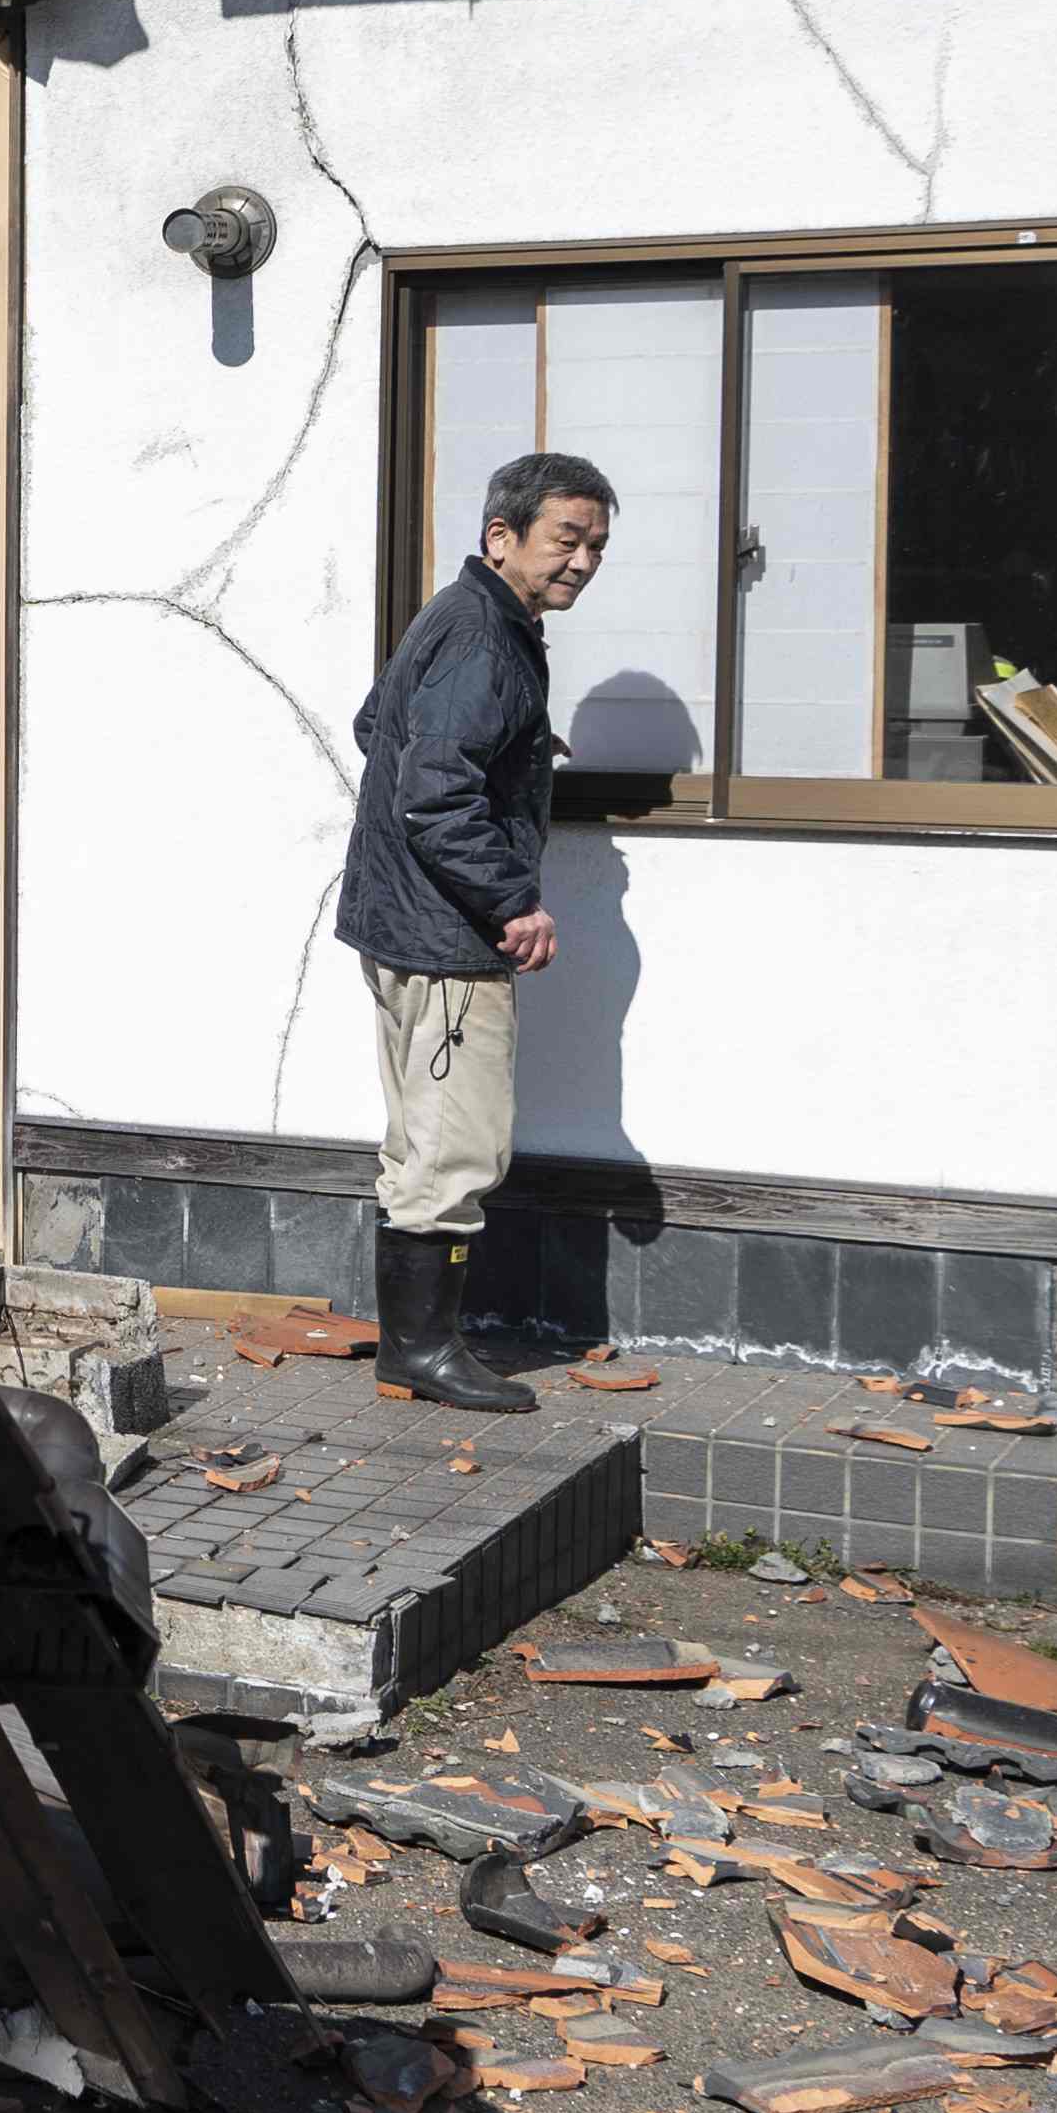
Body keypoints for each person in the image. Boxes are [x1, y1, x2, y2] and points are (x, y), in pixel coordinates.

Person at [333, 451, 615, 1414]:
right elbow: (435, 789)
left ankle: (416, 1347)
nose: (581, 561)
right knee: (458, 1148)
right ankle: (424, 1351)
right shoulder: (488, 638)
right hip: (449, 942)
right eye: (565, 540)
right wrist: (510, 901)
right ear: (503, 538)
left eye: (596, 546)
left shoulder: (461, 616)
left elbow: (384, 727)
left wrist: (521, 750)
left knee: (419, 1142)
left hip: (402, 926)